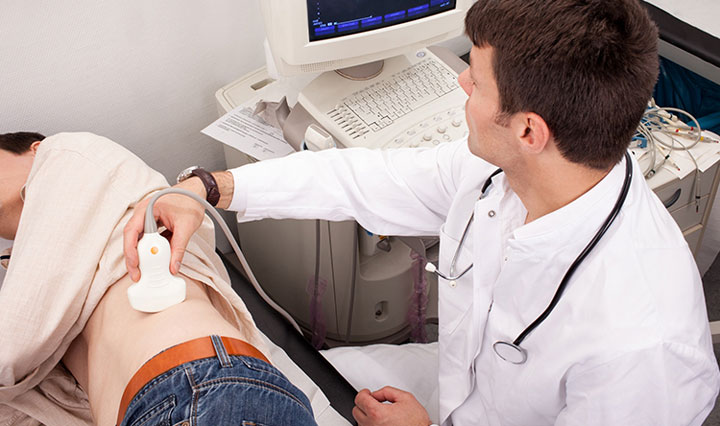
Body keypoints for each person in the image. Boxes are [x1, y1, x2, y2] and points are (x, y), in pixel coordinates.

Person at [124, 0, 720, 425]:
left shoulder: (642, 349)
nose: (459, 82)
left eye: (476, 81)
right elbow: (368, 177)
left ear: (529, 131)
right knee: (280, 376)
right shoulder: (506, 171)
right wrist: (209, 188)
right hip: (453, 381)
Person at [0, 132, 316, 426]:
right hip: (178, 399)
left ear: (35, 149)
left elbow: (9, 350)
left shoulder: (66, 153)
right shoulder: (43, 269)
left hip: (196, 389)